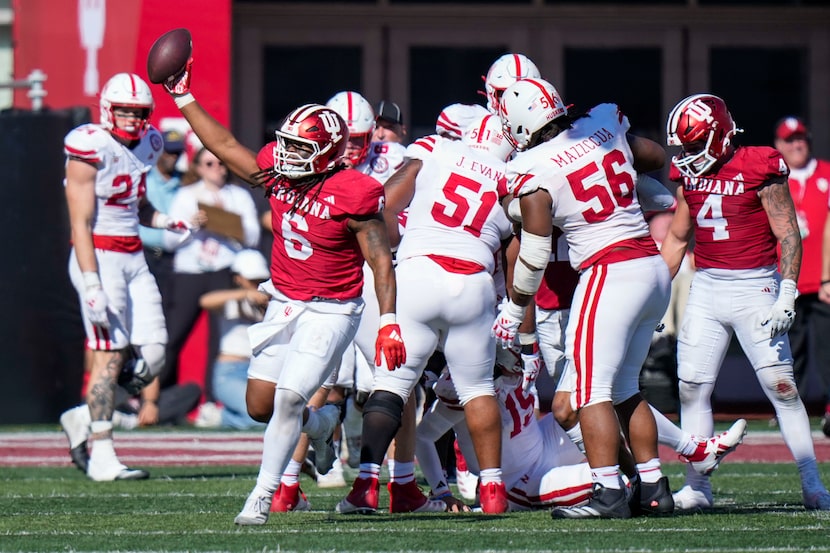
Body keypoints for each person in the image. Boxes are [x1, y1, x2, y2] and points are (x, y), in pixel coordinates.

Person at [158, 57, 406, 525]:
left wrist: (389, 321)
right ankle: (324, 426)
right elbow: (225, 145)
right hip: (285, 302)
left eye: (298, 147)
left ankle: (261, 495)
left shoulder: (352, 193)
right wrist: (182, 95)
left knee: (291, 398)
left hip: (333, 309)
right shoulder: (277, 172)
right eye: (286, 144)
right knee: (260, 406)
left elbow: (379, 258)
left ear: (329, 153)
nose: (286, 154)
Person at [493, 78, 672, 519]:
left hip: (609, 270)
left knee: (591, 392)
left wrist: (514, 310)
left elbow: (534, 255)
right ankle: (652, 486)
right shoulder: (600, 125)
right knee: (627, 387)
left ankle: (608, 492)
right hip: (650, 265)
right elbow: (654, 156)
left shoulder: (533, 165)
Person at [336, 113, 515, 515]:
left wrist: (398, 244)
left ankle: (365, 484)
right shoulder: (511, 173)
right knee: (477, 390)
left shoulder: (437, 149)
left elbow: (384, 201)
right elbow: (514, 246)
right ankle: (492, 491)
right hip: (472, 281)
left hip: (419, 271)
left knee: (391, 385)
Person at [660, 93, 830, 512]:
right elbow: (679, 238)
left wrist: (787, 290)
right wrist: (655, 299)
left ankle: (812, 484)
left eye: (696, 143)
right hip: (707, 287)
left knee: (782, 387)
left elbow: (788, 232)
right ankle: (698, 487)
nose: (689, 155)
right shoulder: (688, 174)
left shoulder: (760, 165)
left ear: (719, 136)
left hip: (756, 285)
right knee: (691, 387)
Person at [59, 72, 190, 481]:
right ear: (107, 110)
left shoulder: (150, 144)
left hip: (134, 256)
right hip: (98, 256)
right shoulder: (89, 146)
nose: (133, 119)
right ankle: (102, 452)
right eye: (125, 111)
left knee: (153, 356)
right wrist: (92, 282)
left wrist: (164, 219)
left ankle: (82, 416)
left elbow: (136, 200)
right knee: (111, 353)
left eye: (139, 112)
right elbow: (80, 222)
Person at [416, 358, 748, 512]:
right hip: (523, 481)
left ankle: (693, 448)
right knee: (610, 484)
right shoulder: (460, 382)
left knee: (596, 397)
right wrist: (442, 493)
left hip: (541, 438)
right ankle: (666, 493)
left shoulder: (504, 340)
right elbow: (424, 437)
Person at [161, 147, 262, 405]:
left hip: (223, 270)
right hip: (190, 272)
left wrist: (226, 224)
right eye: (209, 163)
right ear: (197, 167)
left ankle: (211, 402)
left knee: (220, 339)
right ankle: (158, 396)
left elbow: (253, 236)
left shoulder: (237, 195)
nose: (217, 168)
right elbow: (169, 241)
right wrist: (192, 225)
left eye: (220, 163)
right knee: (174, 335)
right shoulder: (185, 196)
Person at [773, 116, 830, 437]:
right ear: (779, 146)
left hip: (822, 282)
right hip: (786, 283)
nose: (797, 145)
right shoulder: (773, 179)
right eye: (790, 140)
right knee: (787, 352)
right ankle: (787, 410)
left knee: (827, 348)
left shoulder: (827, 174)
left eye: (801, 139)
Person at [198, 248, 271, 429]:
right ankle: (218, 417)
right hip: (230, 372)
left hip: (260, 371)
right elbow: (205, 301)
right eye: (251, 280)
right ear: (238, 278)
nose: (256, 284)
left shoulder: (269, 302)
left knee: (271, 414)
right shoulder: (232, 301)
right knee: (257, 418)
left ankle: (221, 417)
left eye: (259, 280)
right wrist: (246, 294)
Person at [139, 129, 186, 304]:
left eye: (177, 153)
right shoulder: (144, 179)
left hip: (174, 257)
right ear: (159, 152)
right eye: (169, 152)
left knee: (168, 308)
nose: (173, 157)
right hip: (145, 254)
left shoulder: (186, 182)